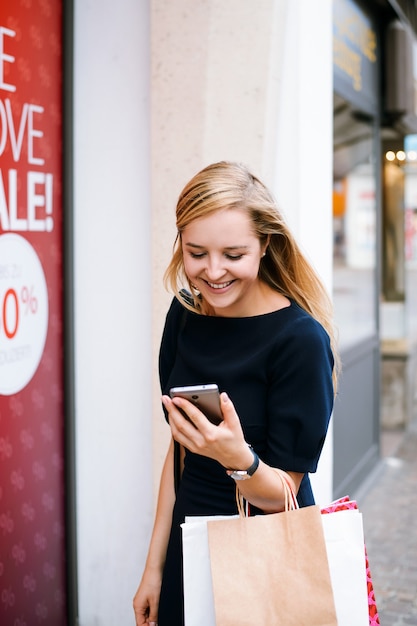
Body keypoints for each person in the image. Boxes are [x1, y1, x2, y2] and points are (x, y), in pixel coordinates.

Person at [133, 161, 339, 626]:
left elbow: (283, 494)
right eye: (197, 252)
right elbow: (180, 451)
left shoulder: (300, 341)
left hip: (264, 560)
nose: (213, 271)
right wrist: (154, 568)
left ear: (265, 245)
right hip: (190, 544)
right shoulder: (184, 314)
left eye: (233, 253)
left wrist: (237, 458)